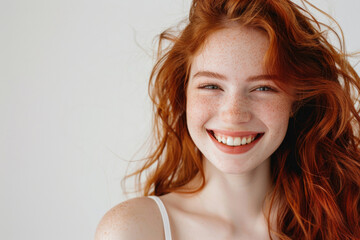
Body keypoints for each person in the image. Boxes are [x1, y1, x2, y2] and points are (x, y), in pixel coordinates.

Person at [95, 0, 360, 239]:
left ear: (296, 101)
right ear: (183, 94)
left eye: (263, 88)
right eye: (211, 86)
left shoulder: (347, 216)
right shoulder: (134, 230)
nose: (233, 114)